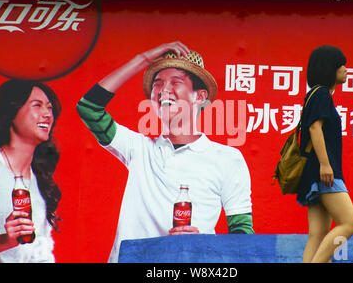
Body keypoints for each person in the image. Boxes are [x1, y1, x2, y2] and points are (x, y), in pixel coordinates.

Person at [76, 41, 254, 262]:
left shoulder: (228, 159)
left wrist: (205, 245)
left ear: (199, 96)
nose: (163, 90)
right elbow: (89, 107)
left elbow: (244, 238)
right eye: (157, 84)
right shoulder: (138, 148)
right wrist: (144, 59)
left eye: (175, 82)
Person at [0, 79, 62, 262]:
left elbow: (40, 249)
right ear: (11, 112)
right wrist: (6, 240)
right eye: (37, 105)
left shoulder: (38, 179)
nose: (47, 114)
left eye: (50, 108)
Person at [296, 46, 353, 263]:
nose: (345, 69)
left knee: (318, 234)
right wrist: (325, 164)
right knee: (349, 223)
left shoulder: (314, 94)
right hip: (324, 173)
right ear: (330, 68)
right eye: (341, 64)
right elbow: (314, 128)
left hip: (313, 174)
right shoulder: (322, 94)